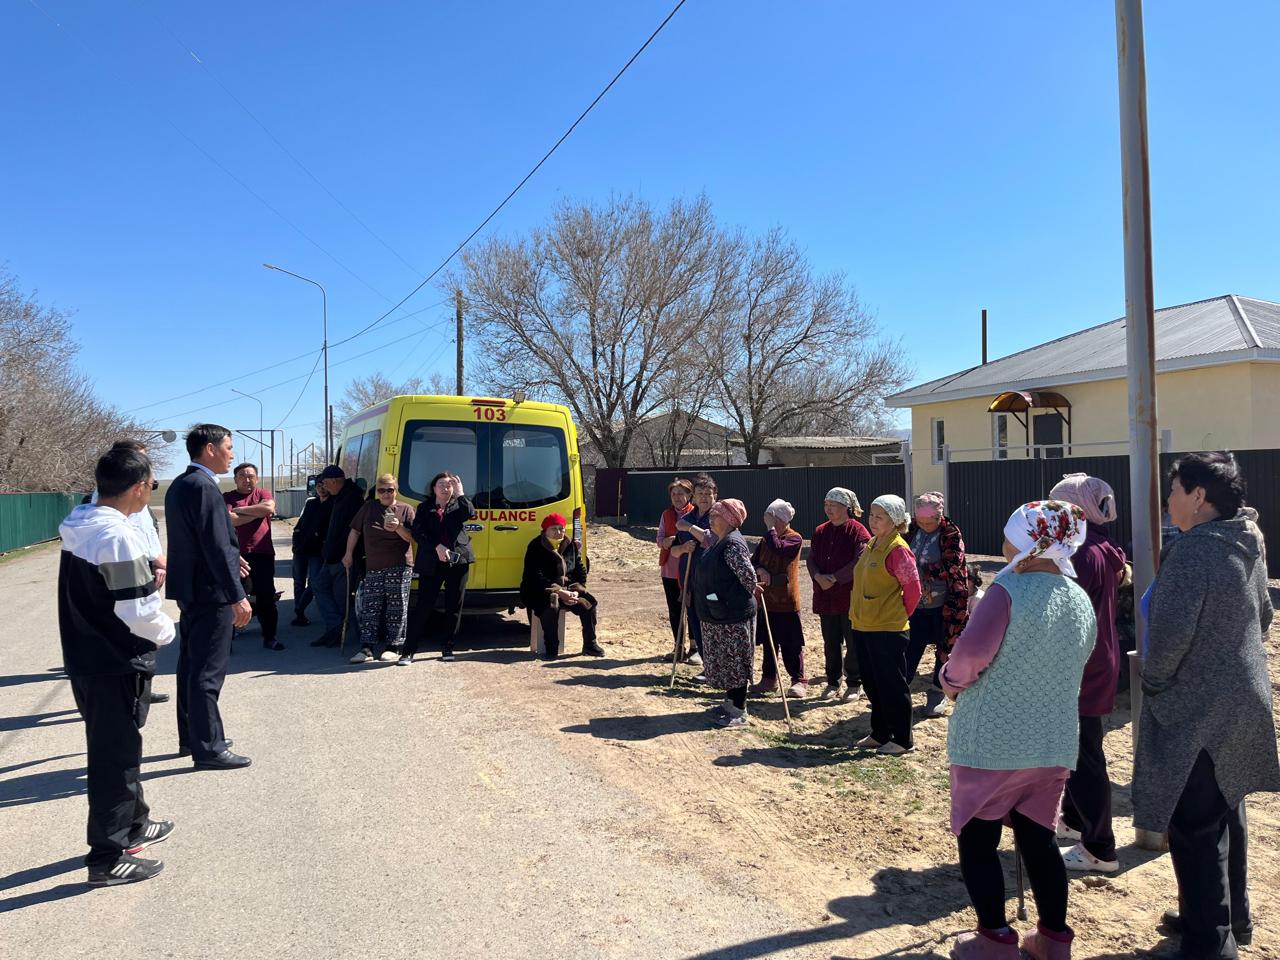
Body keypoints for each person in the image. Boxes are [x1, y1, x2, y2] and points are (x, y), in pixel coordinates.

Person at [1133, 452, 1279, 960]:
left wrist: (1153, 683)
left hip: (1199, 710)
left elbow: (1168, 642)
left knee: (1194, 826)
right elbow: (1263, 615)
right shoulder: (1247, 539)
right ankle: (1227, 918)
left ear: (1198, 497)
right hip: (1242, 701)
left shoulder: (1195, 553)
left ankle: (1208, 945)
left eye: (1173, 490)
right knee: (1224, 810)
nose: (1168, 500)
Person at [941, 500, 1094, 960]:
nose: (1003, 541)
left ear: (1030, 541)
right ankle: (1053, 938)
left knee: (979, 837)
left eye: (1010, 534)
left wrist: (949, 680)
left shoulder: (1007, 591)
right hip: (1053, 739)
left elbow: (970, 658)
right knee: (1039, 838)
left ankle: (994, 939)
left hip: (994, 740)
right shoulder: (1078, 596)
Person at [58, 446, 177, 885]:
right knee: (115, 757)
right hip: (114, 659)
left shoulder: (80, 521)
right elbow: (138, 612)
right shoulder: (118, 537)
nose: (151, 491)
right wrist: (168, 633)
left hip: (88, 656)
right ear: (140, 486)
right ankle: (106, 857)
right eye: (151, 484)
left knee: (123, 747)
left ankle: (134, 823)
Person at [1047, 473, 1127, 875]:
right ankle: (1077, 822)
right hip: (1098, 658)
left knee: (1084, 756)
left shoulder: (1079, 552)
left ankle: (1099, 846)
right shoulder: (1104, 547)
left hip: (1079, 665)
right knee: (1078, 747)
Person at [164, 424, 252, 770]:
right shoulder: (203, 488)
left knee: (190, 666)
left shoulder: (182, 485)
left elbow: (205, 542)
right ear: (210, 449)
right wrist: (237, 596)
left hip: (192, 591)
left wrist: (233, 556)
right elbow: (214, 547)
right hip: (210, 593)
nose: (232, 453)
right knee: (207, 672)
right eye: (228, 447)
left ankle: (194, 735)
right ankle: (209, 748)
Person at [91, 439, 171, 705]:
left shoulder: (132, 501)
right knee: (134, 626)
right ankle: (134, 688)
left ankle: (142, 686)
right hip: (133, 562)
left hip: (145, 562)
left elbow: (148, 531)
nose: (147, 468)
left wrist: (158, 561)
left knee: (140, 630)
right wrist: (157, 561)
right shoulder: (115, 510)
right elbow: (132, 537)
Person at [849, 494, 921, 756]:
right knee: (872, 683)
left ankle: (902, 739)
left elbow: (913, 590)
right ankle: (880, 733)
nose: (873, 520)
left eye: (880, 517)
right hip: (864, 625)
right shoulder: (872, 544)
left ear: (895, 520)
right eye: (871, 515)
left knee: (892, 684)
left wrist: (896, 614)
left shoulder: (898, 549)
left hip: (888, 629)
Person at [691, 498, 757, 728]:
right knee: (725, 662)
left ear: (729, 520)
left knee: (735, 662)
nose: (711, 518)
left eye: (716, 515)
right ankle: (730, 703)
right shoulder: (720, 541)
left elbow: (748, 578)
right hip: (718, 613)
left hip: (732, 615)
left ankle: (739, 710)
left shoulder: (732, 544)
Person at [905, 492, 970, 719]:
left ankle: (937, 692)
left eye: (928, 522)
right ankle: (900, 690)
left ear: (939, 517)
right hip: (916, 603)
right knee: (911, 645)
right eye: (920, 521)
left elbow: (952, 565)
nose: (924, 525)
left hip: (947, 602)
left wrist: (922, 572)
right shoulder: (913, 529)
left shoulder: (951, 533)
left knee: (944, 648)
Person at [402, 471, 475, 664]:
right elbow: (418, 533)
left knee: (454, 606)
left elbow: (470, 513)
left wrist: (461, 493)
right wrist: (437, 546)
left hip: (457, 562)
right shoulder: (424, 508)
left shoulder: (459, 504)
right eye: (441, 484)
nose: (445, 488)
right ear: (433, 488)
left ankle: (448, 647)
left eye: (449, 485)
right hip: (431, 563)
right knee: (424, 605)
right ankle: (409, 650)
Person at [344, 473, 416, 664]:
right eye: (381, 490)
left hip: (400, 566)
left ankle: (394, 646)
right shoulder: (369, 507)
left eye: (389, 490)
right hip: (374, 565)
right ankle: (366, 648)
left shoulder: (406, 509)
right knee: (370, 607)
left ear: (396, 490)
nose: (385, 493)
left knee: (397, 606)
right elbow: (355, 531)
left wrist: (398, 527)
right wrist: (348, 554)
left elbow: (412, 538)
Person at [806, 487, 869, 702]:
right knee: (830, 641)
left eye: (833, 505)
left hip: (848, 596)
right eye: (826, 505)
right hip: (825, 595)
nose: (828, 509)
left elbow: (860, 560)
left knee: (852, 642)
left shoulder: (858, 531)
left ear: (846, 508)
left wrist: (834, 577)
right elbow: (811, 558)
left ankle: (854, 683)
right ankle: (832, 681)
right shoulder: (820, 531)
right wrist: (817, 576)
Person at [521, 513, 605, 660]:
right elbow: (535, 576)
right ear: (545, 530)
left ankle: (590, 644)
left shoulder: (569, 544)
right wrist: (559, 592)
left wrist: (574, 591)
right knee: (551, 607)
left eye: (561, 528)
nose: (558, 532)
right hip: (540, 590)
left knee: (589, 604)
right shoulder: (536, 546)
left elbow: (580, 570)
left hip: (568, 589)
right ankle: (551, 648)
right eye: (554, 528)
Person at [752, 498, 808, 698]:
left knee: (791, 643)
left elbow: (779, 548)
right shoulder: (766, 538)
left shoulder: (794, 538)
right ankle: (769, 678)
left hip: (787, 601)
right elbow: (754, 560)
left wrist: (770, 528)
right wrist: (760, 569)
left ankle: (798, 679)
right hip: (767, 600)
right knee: (769, 640)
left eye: (772, 517)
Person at [224, 463, 282, 651]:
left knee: (266, 597)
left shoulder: (263, 493)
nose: (247, 479)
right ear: (235, 479)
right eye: (242, 476)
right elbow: (228, 518)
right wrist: (256, 512)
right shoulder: (227, 497)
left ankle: (270, 637)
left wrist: (240, 510)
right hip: (235, 554)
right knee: (233, 597)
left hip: (262, 552)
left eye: (250, 476)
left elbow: (268, 509)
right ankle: (227, 641)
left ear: (256, 478)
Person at [309, 465, 367, 649]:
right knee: (319, 586)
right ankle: (334, 627)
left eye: (325, 482)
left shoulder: (352, 498)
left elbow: (354, 530)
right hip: (332, 556)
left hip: (344, 557)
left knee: (342, 598)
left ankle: (341, 633)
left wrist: (347, 554)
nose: (324, 486)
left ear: (334, 481)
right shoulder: (338, 497)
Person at [672, 473, 716, 674]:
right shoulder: (687, 517)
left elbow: (710, 540)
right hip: (689, 580)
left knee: (712, 622)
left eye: (708, 493)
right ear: (694, 497)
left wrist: (689, 528)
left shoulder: (718, 516)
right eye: (700, 493)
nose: (704, 497)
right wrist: (683, 549)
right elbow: (673, 550)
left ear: (715, 495)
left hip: (713, 581)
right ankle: (707, 667)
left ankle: (716, 667)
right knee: (695, 621)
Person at [657, 478, 696, 661]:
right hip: (670, 568)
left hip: (690, 568)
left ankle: (695, 648)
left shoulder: (696, 513)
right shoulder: (666, 514)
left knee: (692, 608)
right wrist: (665, 541)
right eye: (674, 494)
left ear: (689, 495)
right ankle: (678, 646)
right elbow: (659, 539)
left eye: (681, 493)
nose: (677, 497)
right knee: (675, 609)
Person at [290, 483, 331, 626]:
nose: (321, 488)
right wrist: (296, 539)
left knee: (314, 582)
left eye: (324, 485)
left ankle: (299, 607)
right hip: (301, 549)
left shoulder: (333, 504)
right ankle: (300, 615)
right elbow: (301, 523)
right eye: (319, 485)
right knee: (298, 582)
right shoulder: (311, 503)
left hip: (318, 551)